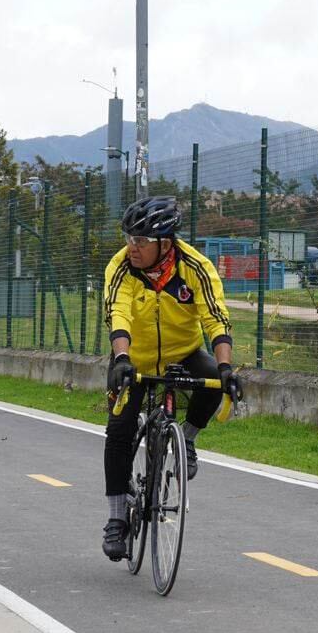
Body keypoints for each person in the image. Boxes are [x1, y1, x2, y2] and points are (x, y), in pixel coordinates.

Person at [100, 196, 243, 561]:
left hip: (184, 353)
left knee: (212, 378)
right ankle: (117, 519)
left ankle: (189, 440)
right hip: (135, 359)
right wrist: (121, 358)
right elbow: (118, 312)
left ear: (165, 243)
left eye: (142, 241)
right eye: (130, 238)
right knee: (118, 431)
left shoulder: (195, 266)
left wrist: (227, 367)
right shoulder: (121, 267)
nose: (133, 247)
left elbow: (216, 317)